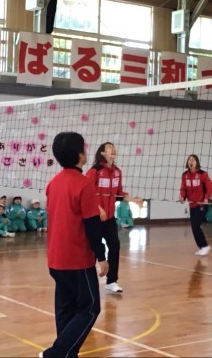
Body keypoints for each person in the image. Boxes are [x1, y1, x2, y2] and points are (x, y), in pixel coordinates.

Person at [42, 131, 108, 358]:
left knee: (65, 309)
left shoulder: (53, 183)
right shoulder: (84, 184)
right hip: (77, 260)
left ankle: (66, 354)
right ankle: (56, 353)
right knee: (90, 309)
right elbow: (92, 225)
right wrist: (102, 256)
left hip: (55, 259)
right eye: (84, 148)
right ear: (80, 155)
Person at [86, 142, 143, 294]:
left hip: (110, 217)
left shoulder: (117, 172)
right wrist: (98, 208)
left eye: (114, 147)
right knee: (93, 250)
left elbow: (119, 193)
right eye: (109, 147)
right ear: (102, 153)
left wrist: (134, 200)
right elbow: (87, 193)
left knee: (115, 246)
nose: (113, 149)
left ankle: (111, 281)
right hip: (95, 217)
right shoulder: (94, 171)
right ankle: (88, 282)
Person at [179, 154, 212, 256]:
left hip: (202, 204)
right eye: (189, 160)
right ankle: (202, 247)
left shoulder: (203, 174)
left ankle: (205, 246)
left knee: (195, 225)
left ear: (197, 162)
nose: (191, 161)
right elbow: (183, 189)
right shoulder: (185, 175)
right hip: (192, 205)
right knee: (194, 227)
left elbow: (210, 187)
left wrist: (206, 198)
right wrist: (182, 197)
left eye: (193, 160)